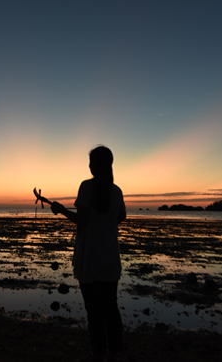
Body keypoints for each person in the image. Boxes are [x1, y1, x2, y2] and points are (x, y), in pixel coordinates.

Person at [50, 145, 126, 362]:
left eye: (91, 162)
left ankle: (98, 354)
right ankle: (115, 354)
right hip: (110, 258)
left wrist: (62, 210)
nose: (90, 166)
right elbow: (122, 217)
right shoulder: (117, 191)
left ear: (96, 165)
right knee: (110, 308)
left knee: (94, 311)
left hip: (90, 259)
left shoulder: (86, 187)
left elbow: (82, 219)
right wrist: (106, 226)